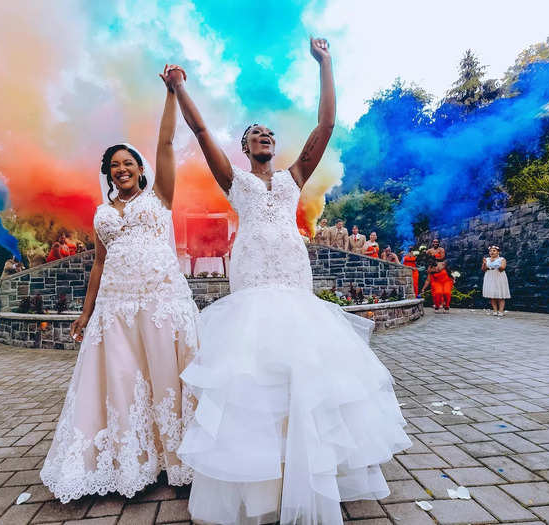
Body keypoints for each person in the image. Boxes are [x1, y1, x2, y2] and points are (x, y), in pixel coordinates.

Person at [166, 38, 410, 525]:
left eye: (269, 132)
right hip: (254, 276)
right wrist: (177, 89)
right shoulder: (235, 181)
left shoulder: (294, 178)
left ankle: (309, 464)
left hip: (292, 273)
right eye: (256, 132)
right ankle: (264, 472)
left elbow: (326, 125)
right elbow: (199, 129)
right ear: (245, 146)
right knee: (256, 365)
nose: (265, 135)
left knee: (302, 361)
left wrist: (326, 63)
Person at [40, 66, 199, 503]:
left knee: (168, 377)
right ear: (108, 174)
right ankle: (134, 462)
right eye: (115, 166)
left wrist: (171, 93)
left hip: (162, 301)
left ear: (141, 170)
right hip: (116, 307)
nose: (122, 169)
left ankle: (180, 458)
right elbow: (98, 265)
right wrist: (86, 311)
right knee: (126, 381)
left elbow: (166, 142)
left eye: (128, 163)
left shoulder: (160, 196)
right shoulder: (102, 214)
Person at [482, 245, 510, 316]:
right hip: (490, 277)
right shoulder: (487, 259)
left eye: (494, 251)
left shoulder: (502, 259)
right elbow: (483, 269)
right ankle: (495, 310)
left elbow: (502, 268)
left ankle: (501, 311)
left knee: (500, 294)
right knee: (492, 294)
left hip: (499, 276)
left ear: (498, 252)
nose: (492, 252)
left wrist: (497, 265)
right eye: (490, 251)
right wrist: (484, 264)